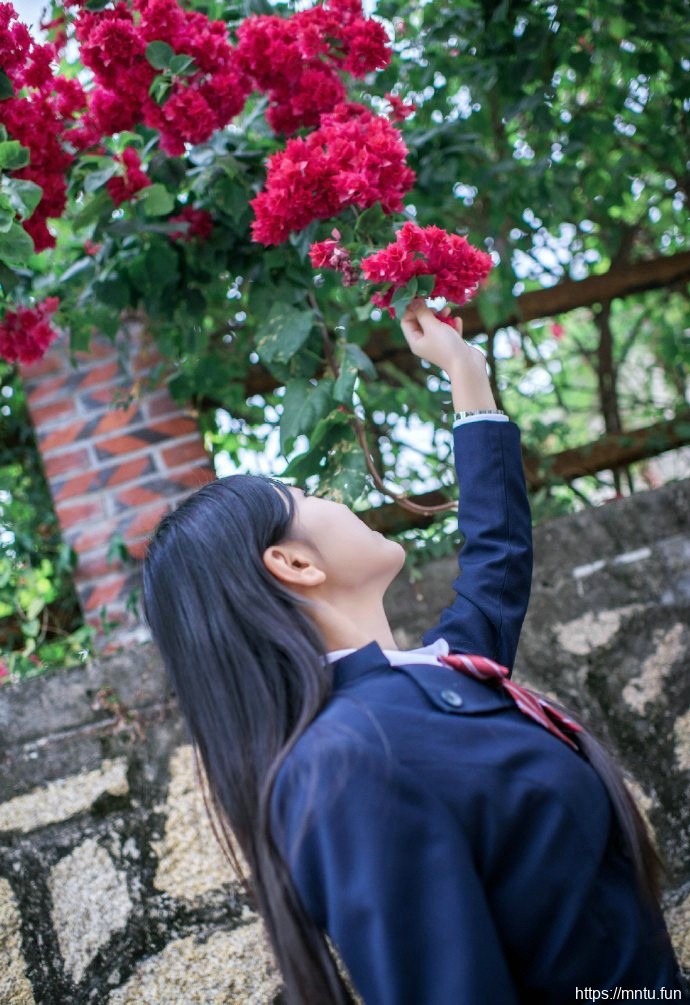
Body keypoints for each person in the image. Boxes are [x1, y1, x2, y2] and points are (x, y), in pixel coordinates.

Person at [142, 301, 687, 1004]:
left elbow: (497, 562)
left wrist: (467, 372)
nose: (332, 496)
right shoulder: (344, 762)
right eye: (304, 493)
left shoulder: (422, 688)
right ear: (295, 563)